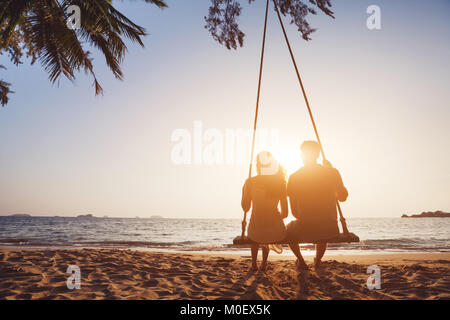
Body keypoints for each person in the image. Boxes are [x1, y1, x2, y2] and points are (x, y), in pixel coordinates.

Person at [286, 141, 348, 270]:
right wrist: (332, 172)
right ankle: (318, 260)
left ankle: (301, 260)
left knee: (288, 231)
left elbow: (295, 213)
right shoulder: (332, 172)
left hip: (306, 227)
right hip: (330, 228)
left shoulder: (294, 177)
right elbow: (343, 197)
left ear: (302, 155)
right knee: (323, 226)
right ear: (318, 154)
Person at [241, 151, 288, 271]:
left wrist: (245, 191)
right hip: (277, 231)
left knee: (257, 228)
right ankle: (264, 263)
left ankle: (254, 264)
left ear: (258, 165)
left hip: (255, 230)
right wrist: (274, 218)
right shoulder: (280, 183)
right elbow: (285, 213)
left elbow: (245, 208)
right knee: (266, 228)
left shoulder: (250, 182)